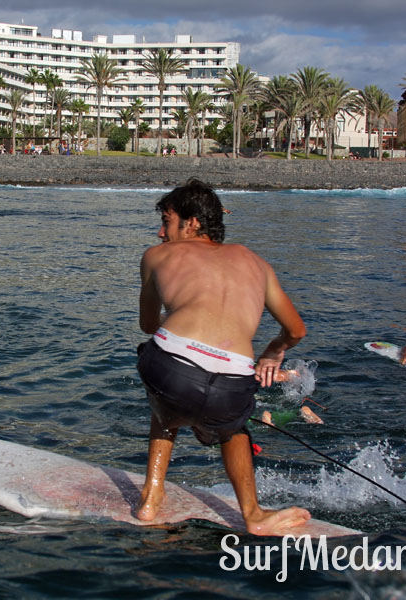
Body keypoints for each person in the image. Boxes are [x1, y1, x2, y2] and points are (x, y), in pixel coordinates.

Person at [135, 178, 311, 536]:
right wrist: (271, 355)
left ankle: (151, 496)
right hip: (232, 384)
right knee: (234, 429)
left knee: (164, 400)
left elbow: (149, 326)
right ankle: (253, 513)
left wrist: (184, 315)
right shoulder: (257, 263)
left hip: (170, 371)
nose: (159, 233)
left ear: (192, 222)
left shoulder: (156, 256)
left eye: (166, 221)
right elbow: (296, 331)